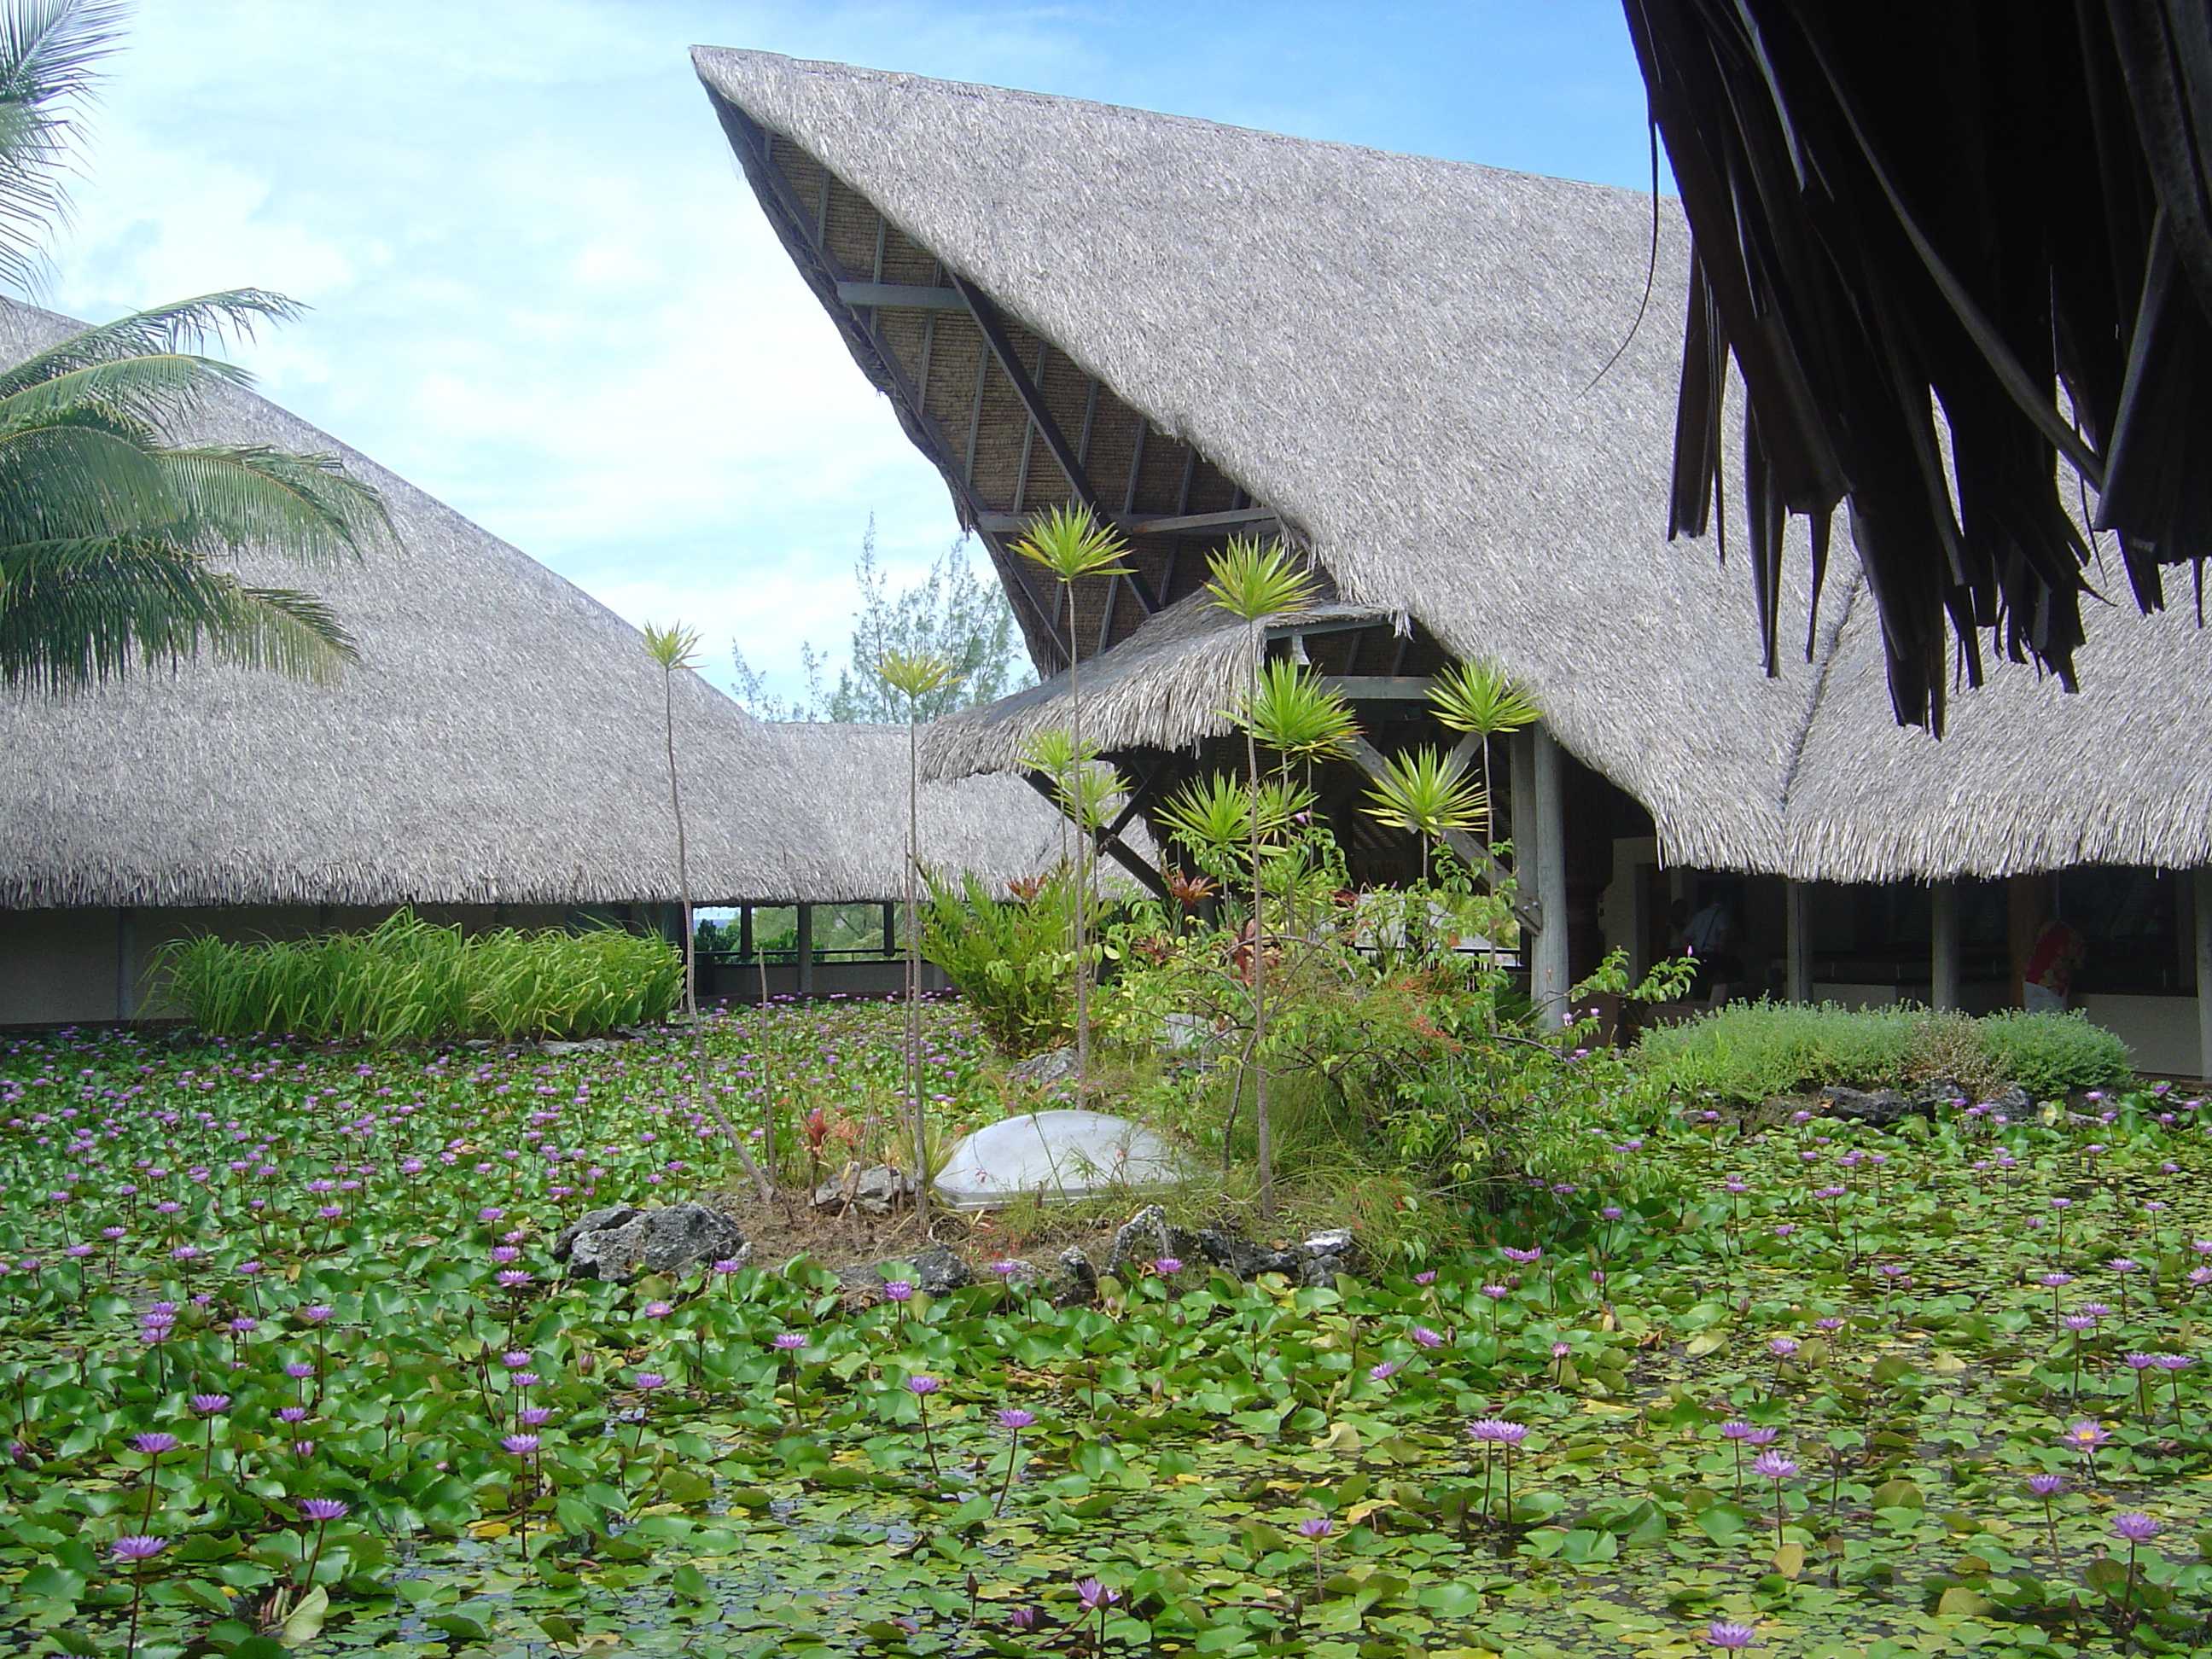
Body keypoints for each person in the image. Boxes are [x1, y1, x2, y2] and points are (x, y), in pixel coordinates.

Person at [1682, 888, 1743, 1004]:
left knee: (1699, 991)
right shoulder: (1723, 915)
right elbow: (1724, 932)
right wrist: (1721, 952)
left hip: (1699, 957)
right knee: (1716, 991)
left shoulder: (1701, 915)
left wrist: (1691, 953)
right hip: (1713, 958)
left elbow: (1685, 936)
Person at [2023, 917, 2085, 1013]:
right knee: (2053, 1019)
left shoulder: (2049, 925)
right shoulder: (2075, 937)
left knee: (2033, 1017)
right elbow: (2079, 964)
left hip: (2031, 978)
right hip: (2052, 984)